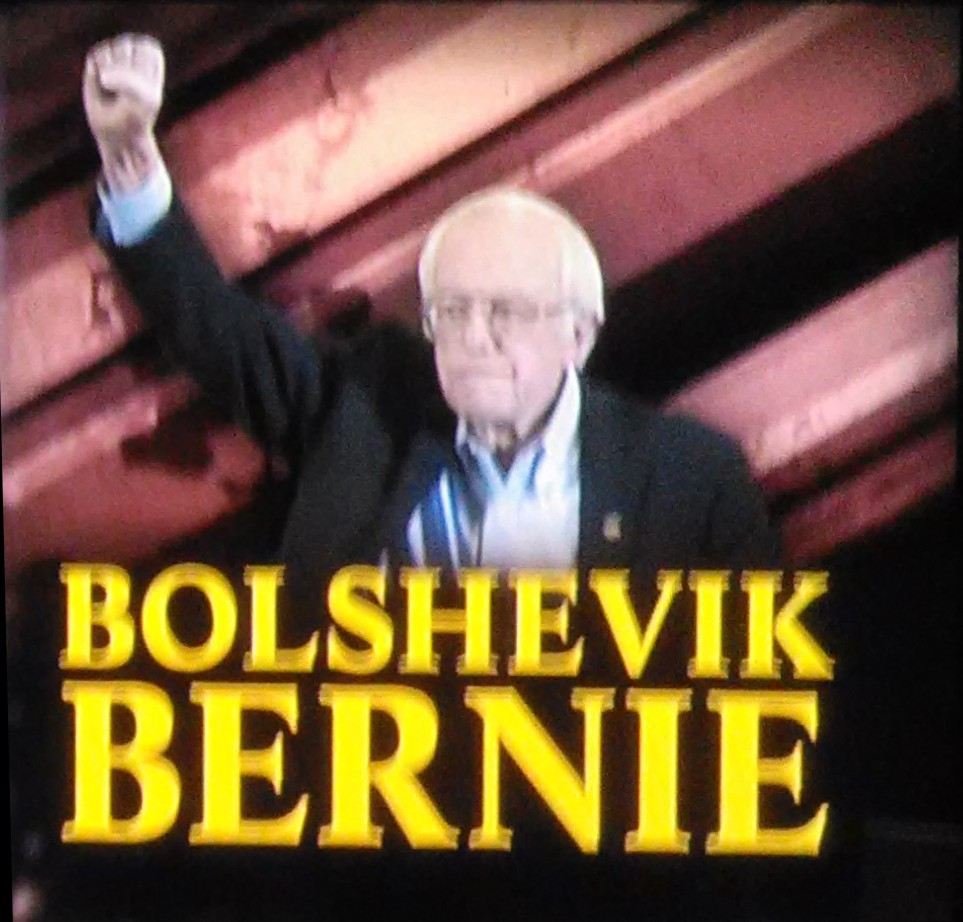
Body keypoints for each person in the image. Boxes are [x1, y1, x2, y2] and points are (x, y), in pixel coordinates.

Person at [82, 33, 780, 603]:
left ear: (578, 334)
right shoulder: (367, 410)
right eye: (451, 310)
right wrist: (128, 157)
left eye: (505, 311)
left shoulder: (688, 479)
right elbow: (222, 337)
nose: (472, 338)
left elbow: (761, 695)